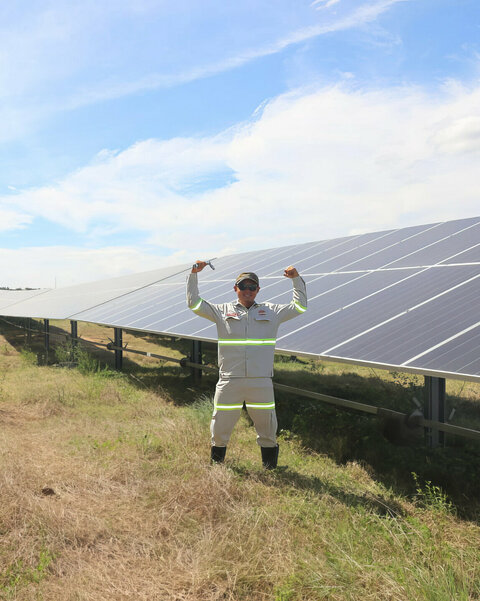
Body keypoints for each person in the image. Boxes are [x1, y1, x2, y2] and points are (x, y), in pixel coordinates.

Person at [186, 262, 307, 469]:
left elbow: (300, 306)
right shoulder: (221, 311)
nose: (248, 290)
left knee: (267, 426)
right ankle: (217, 467)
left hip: (261, 382)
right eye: (243, 286)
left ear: (258, 290)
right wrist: (193, 274)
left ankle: (269, 469)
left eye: (252, 287)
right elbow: (194, 304)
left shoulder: (272, 311)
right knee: (220, 425)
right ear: (236, 288)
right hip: (229, 380)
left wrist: (296, 279)